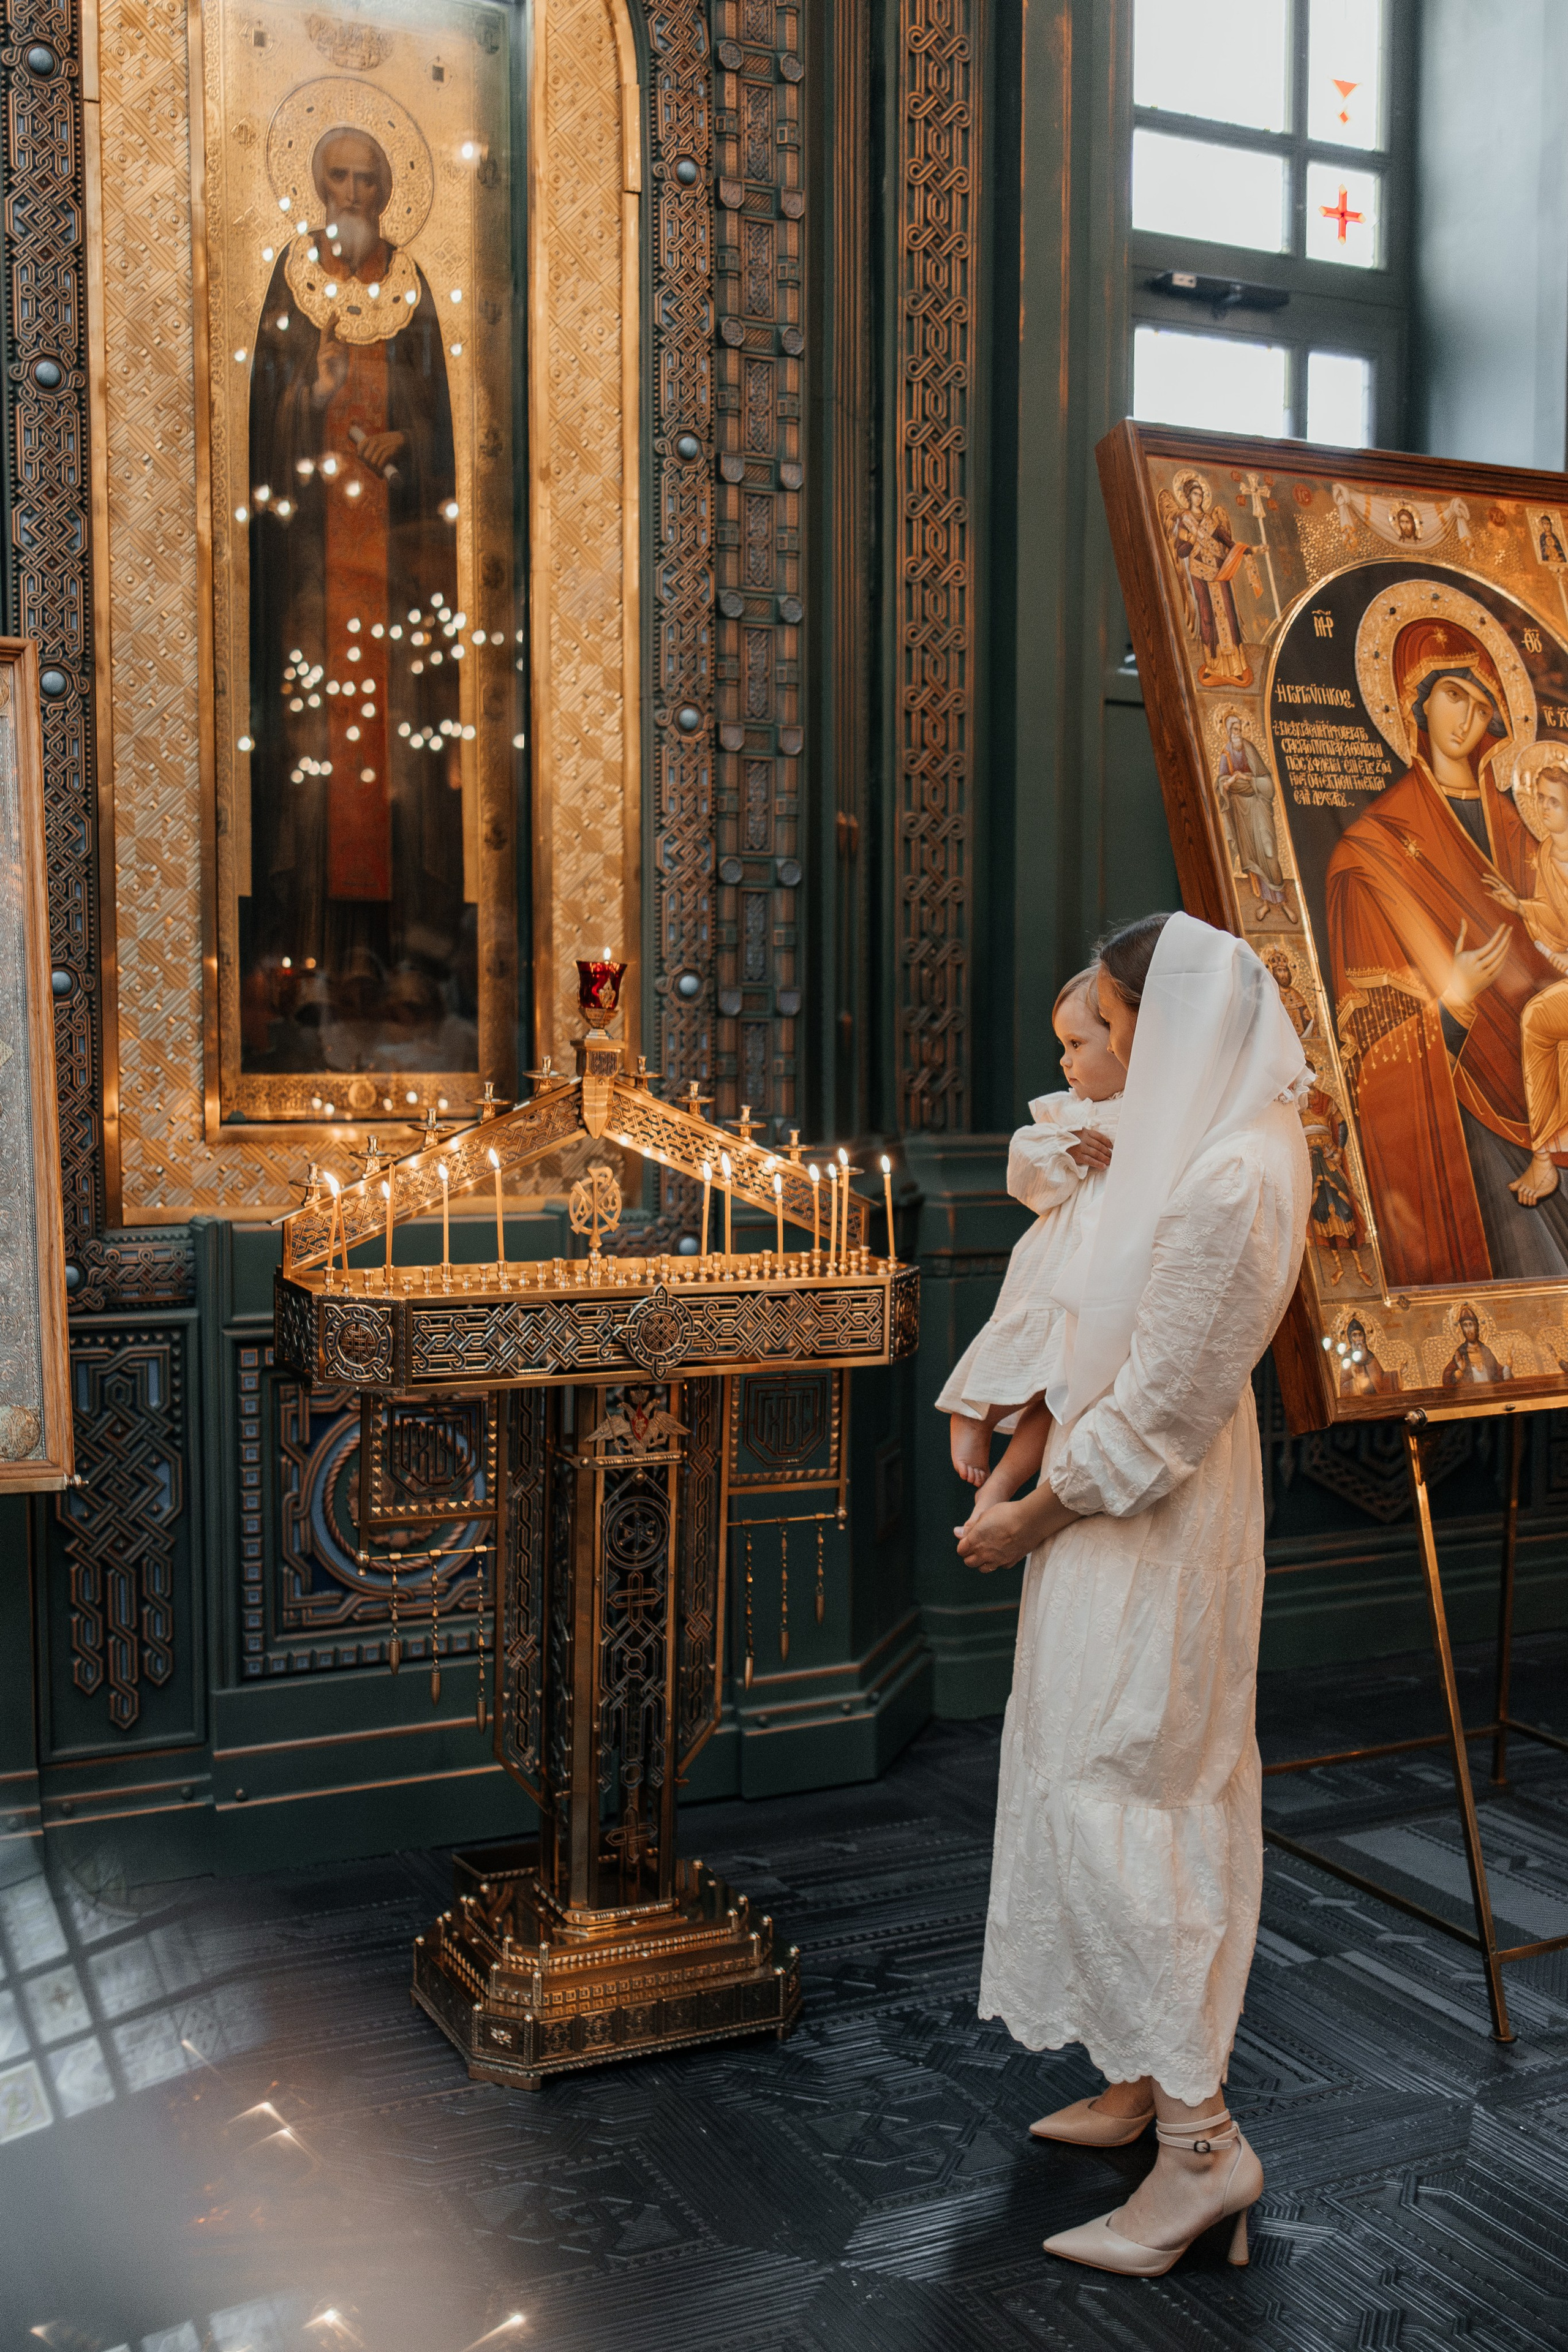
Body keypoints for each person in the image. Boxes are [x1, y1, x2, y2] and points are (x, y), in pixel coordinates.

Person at [957, 911, 1309, 2279]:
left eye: (1106, 1022)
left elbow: (1160, 1418)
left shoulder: (1233, 1175)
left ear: (1163, 1026)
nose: (1095, 1045)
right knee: (1086, 1773)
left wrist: (1026, 1514)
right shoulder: (1197, 1135)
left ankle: (1202, 2150)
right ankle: (1137, 2072)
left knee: (1130, 1796)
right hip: (1110, 1516)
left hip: (1146, 1521)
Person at [244, 123, 466, 1058]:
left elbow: (444, 426)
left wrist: (406, 437)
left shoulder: (414, 294)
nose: (353, 193)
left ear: (387, 188)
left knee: (402, 769)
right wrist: (311, 389)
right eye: (337, 177)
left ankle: (404, 960)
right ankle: (318, 962)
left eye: (367, 179)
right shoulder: (293, 284)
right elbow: (266, 422)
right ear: (316, 184)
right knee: (321, 765)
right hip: (314, 572)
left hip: (398, 581)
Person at [1325, 616, 1567, 1283]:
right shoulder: (1368, 854)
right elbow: (1361, 1047)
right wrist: (1453, 1000)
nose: (1466, 718)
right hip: (1470, 1119)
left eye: (1482, 705)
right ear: (1416, 701)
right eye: (1453, 694)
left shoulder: (1531, 826)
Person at [941, 970, 1124, 1488]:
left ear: (1124, 1038)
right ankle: (976, 1411)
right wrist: (1066, 1148)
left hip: (1111, 1259)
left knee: (1066, 1381)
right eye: (1063, 1046)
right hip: (1059, 1258)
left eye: (1076, 1044)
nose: (1064, 1061)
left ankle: (1004, 1487)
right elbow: (1026, 1171)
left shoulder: (1155, 1106)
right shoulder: (1069, 1113)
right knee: (1040, 1346)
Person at [1479, 760, 1568, 1204]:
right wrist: (1519, 906)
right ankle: (1546, 1154)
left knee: (1536, 1018)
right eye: (1540, 800)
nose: (1545, 809)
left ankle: (1543, 1158)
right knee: (1537, 1015)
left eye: (1554, 801)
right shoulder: (1549, 856)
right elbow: (1554, 917)